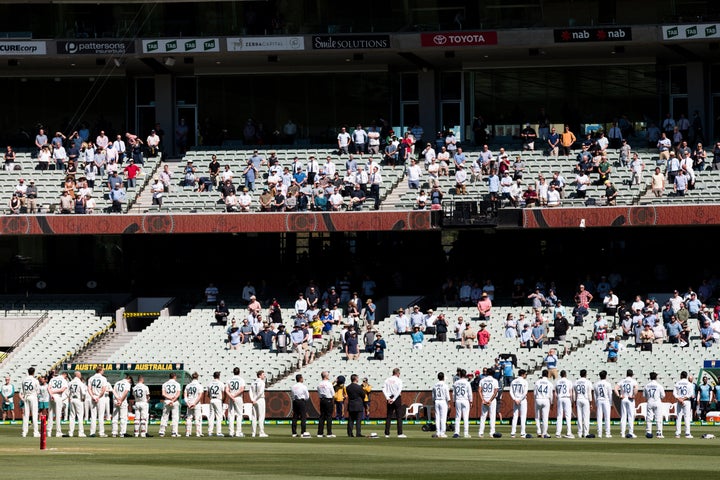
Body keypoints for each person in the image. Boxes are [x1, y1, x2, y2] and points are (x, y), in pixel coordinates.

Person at [614, 369, 638, 438]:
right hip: (630, 399)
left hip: (623, 398)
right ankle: (630, 432)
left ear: (626, 374)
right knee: (631, 416)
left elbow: (615, 388)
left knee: (623, 417)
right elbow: (636, 388)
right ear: (632, 375)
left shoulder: (622, 381)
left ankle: (622, 433)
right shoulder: (633, 381)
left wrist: (619, 395)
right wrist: (633, 395)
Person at [157, 372, 182, 437]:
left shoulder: (164, 384)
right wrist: (172, 400)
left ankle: (162, 432)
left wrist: (169, 398)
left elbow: (163, 394)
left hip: (167, 401)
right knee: (175, 417)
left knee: (164, 416)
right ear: (175, 377)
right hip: (174, 401)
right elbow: (178, 394)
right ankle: (174, 432)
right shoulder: (177, 384)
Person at [383, 368, 405, 438]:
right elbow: (399, 391)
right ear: (398, 373)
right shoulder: (399, 380)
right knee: (399, 416)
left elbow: (383, 389)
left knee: (389, 416)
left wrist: (388, 398)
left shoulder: (387, 380)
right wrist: (394, 399)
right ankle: (400, 433)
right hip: (396, 398)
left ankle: (387, 433)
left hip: (389, 397)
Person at [87, 366, 108, 437]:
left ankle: (92, 432)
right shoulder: (103, 378)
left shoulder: (91, 378)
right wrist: (98, 397)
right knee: (101, 416)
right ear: (100, 370)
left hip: (93, 397)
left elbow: (89, 389)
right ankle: (101, 432)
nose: (103, 371)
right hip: (100, 398)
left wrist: (93, 396)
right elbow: (103, 389)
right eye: (103, 370)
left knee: (93, 416)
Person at [643, 371, 665, 438]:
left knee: (649, 418)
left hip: (650, 401)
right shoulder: (659, 385)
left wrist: (649, 398)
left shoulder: (646, 386)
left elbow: (644, 396)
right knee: (658, 418)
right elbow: (663, 395)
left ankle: (648, 432)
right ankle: (659, 433)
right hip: (657, 402)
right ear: (656, 377)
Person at [20, 367, 40, 438]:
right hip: (33, 396)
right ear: (33, 372)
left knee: (26, 415)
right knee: (34, 415)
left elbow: (22, 391)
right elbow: (38, 391)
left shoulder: (24, 380)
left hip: (26, 397)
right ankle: (35, 432)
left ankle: (24, 432)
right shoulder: (35, 380)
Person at [226, 367, 246, 438]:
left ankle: (231, 432)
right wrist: (235, 395)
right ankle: (238, 432)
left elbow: (227, 390)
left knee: (231, 415)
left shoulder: (229, 379)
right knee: (239, 415)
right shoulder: (241, 380)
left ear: (233, 372)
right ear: (239, 372)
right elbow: (242, 389)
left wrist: (231, 396)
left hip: (231, 397)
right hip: (238, 397)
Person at [674, 371, 694, 438]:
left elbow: (674, 393)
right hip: (687, 401)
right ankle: (687, 433)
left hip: (679, 401)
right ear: (686, 376)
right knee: (687, 417)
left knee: (678, 417)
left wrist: (679, 399)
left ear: (681, 376)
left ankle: (677, 433)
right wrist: (684, 399)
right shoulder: (689, 384)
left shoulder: (677, 383)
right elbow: (691, 394)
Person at [478, 372, 499, 438]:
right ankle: (492, 433)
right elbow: (496, 391)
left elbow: (479, 390)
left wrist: (483, 400)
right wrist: (490, 400)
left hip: (484, 398)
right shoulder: (495, 380)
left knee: (483, 417)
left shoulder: (482, 380)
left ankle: (481, 433)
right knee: (492, 416)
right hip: (491, 400)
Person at [452, 368, 472, 438]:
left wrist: (453, 401)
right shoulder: (467, 383)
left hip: (458, 400)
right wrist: (471, 401)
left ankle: (456, 432)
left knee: (457, 417)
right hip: (465, 400)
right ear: (465, 375)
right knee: (466, 417)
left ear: (460, 374)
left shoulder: (456, 383)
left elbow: (454, 394)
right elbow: (470, 393)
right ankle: (466, 433)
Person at [534, 370, 554, 438]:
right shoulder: (549, 383)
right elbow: (551, 395)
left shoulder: (537, 382)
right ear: (547, 375)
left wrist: (535, 399)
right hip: (546, 400)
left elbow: (534, 393)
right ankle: (544, 433)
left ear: (542, 374)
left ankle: (538, 432)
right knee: (545, 418)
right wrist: (552, 402)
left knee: (537, 417)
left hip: (538, 399)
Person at [509, 369, 529, 438]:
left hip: (515, 400)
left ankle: (513, 433)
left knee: (515, 416)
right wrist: (520, 399)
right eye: (525, 374)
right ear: (523, 374)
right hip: (522, 400)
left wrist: (515, 399)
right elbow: (525, 392)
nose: (526, 376)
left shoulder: (513, 381)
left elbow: (511, 392)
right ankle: (523, 433)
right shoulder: (524, 382)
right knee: (523, 417)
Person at [431, 372, 451, 438]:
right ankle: (442, 433)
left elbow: (433, 395)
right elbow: (447, 395)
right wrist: (449, 403)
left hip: (437, 401)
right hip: (443, 401)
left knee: (437, 417)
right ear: (443, 377)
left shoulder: (435, 385)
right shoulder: (445, 385)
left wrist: (434, 401)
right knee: (443, 418)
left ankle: (438, 432)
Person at [573, 369, 593, 438]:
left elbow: (574, 394)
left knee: (579, 417)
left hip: (578, 399)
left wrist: (575, 401)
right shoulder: (588, 382)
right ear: (585, 374)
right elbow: (589, 393)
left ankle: (579, 433)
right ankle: (586, 433)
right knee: (586, 417)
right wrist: (591, 403)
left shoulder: (576, 382)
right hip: (585, 399)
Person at [554, 370, 574, 438]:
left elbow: (556, 393)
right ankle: (569, 433)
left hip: (560, 398)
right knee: (568, 416)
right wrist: (571, 401)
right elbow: (571, 393)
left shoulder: (557, 382)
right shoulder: (569, 382)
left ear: (560, 375)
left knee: (559, 416)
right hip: (567, 398)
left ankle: (557, 433)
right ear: (565, 375)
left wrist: (558, 400)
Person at [594, 370, 613, 438]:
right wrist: (611, 403)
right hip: (606, 400)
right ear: (606, 376)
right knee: (607, 417)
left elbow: (595, 394)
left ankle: (599, 434)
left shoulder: (596, 384)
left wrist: (596, 402)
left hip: (599, 400)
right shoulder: (608, 384)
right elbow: (610, 394)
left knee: (599, 417)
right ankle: (607, 433)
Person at [249, 370, 268, 437]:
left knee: (254, 417)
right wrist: (255, 399)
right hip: (260, 399)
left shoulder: (253, 382)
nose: (264, 375)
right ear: (259, 375)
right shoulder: (262, 383)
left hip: (254, 400)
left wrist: (252, 399)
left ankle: (253, 433)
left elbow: (250, 392)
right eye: (263, 374)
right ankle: (261, 432)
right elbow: (260, 392)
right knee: (261, 416)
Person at [67, 371, 85, 437]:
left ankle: (70, 432)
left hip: (72, 399)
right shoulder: (80, 383)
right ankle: (80, 432)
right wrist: (83, 398)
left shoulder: (70, 382)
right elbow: (83, 393)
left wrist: (69, 397)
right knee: (80, 417)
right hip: (78, 399)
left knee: (72, 416)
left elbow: (67, 392)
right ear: (78, 375)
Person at [317, 371, 335, 438]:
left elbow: (319, 393)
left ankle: (320, 433)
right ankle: (329, 433)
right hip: (328, 400)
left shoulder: (319, 384)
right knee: (329, 416)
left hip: (322, 400)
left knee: (322, 416)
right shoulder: (329, 384)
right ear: (326, 376)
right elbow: (333, 393)